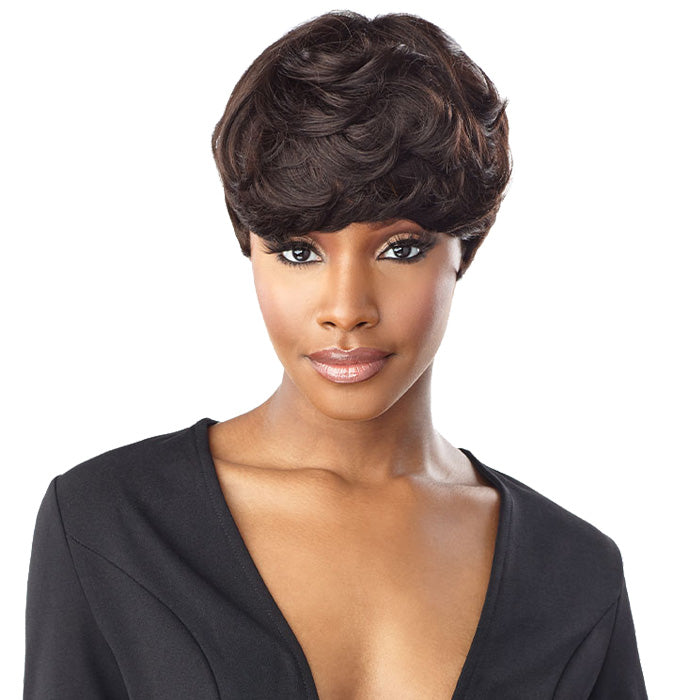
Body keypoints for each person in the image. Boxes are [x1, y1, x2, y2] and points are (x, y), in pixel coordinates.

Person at [23, 10, 647, 699]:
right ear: (249, 250)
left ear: (465, 250)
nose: (346, 308)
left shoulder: (576, 575)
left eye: (400, 249)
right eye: (298, 252)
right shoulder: (108, 523)